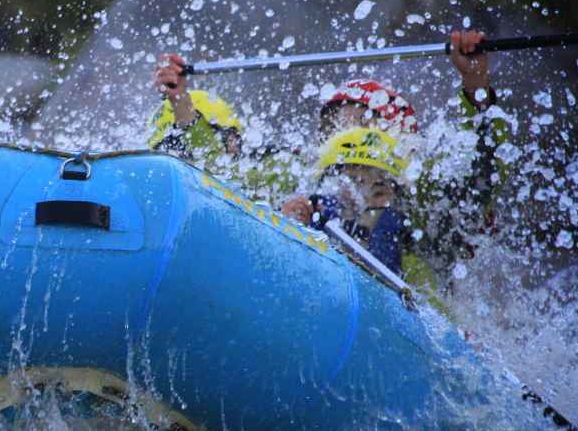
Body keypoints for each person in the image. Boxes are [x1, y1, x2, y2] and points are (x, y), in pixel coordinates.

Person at [151, 30, 508, 300]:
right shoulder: (297, 170)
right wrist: (182, 105)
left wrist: (476, 86)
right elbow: (218, 176)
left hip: (417, 320)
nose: (350, 139)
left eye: (364, 124)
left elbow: (482, 175)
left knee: (388, 222)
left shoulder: (424, 184)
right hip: (319, 301)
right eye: (338, 126)